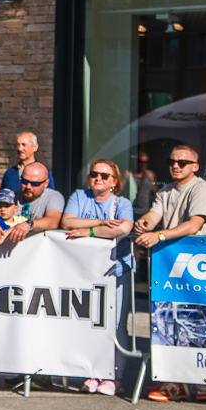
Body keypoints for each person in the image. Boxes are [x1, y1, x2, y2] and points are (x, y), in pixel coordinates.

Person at [63, 158, 136, 396]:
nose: (98, 178)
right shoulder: (79, 196)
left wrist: (90, 231)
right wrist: (102, 222)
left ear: (114, 182)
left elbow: (124, 227)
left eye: (104, 176)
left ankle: (115, 376)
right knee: (92, 321)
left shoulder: (122, 203)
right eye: (94, 174)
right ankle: (93, 372)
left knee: (117, 325)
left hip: (117, 268)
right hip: (86, 269)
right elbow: (67, 221)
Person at [132, 142, 206, 248]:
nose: (175, 166)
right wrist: (144, 223)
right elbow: (153, 216)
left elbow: (194, 226)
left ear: (195, 167)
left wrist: (159, 236)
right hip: (169, 251)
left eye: (182, 163)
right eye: (171, 162)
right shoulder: (166, 189)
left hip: (192, 250)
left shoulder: (201, 187)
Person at [0, 161, 63, 244]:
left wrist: (28, 224)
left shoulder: (53, 197)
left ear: (46, 183)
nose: (28, 187)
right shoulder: (12, 196)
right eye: (25, 181)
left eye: (35, 184)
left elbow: (53, 221)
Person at [0, 131, 54, 196]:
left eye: (24, 145)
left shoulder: (42, 173)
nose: (20, 149)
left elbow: (51, 196)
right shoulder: (10, 173)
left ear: (35, 147)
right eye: (18, 145)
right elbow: (1, 196)